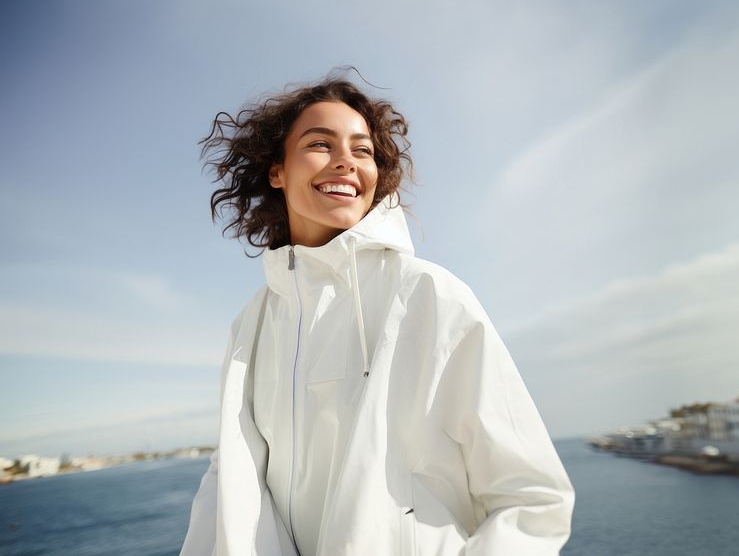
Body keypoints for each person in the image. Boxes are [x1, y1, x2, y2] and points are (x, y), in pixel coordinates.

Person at [178, 74, 575, 556]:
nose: (346, 160)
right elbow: (229, 488)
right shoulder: (253, 325)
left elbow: (531, 500)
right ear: (276, 170)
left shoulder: (427, 293)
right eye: (320, 143)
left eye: (363, 150)